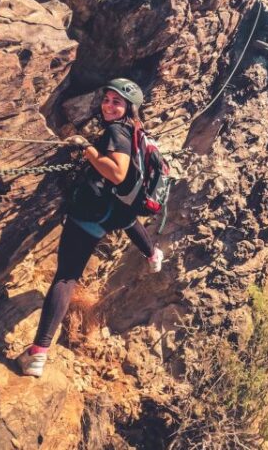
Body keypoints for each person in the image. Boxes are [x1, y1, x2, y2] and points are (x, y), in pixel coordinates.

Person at [18, 78, 163, 378]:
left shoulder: (116, 131)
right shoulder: (136, 131)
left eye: (117, 102)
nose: (109, 105)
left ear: (129, 108)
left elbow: (118, 173)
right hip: (112, 213)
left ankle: (38, 352)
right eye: (107, 99)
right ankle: (152, 254)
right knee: (126, 222)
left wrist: (88, 151)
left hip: (90, 213)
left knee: (66, 277)